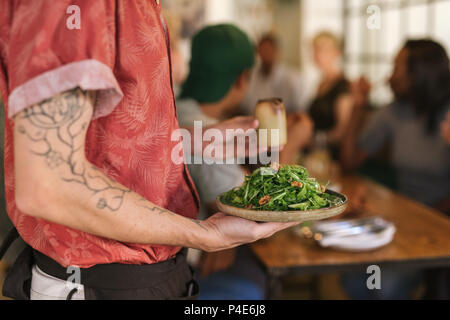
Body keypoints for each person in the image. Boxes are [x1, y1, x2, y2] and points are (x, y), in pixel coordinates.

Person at [0, 1, 298, 300]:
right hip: (96, 283)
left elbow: (100, 140)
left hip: (150, 275)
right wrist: (204, 234)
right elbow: (48, 183)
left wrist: (186, 143)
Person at [341, 39, 450, 299]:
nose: (390, 75)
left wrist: (421, 218)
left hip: (439, 225)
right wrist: (358, 105)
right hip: (402, 222)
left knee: (383, 285)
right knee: (355, 279)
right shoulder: (395, 112)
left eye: (397, 66)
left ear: (419, 73)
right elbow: (350, 161)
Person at [308, 31, 353, 159]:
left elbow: (342, 131)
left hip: (332, 156)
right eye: (315, 50)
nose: (317, 54)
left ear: (336, 53)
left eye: (323, 50)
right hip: (315, 154)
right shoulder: (320, 84)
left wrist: (314, 140)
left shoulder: (343, 86)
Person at [241, 33, 304, 115]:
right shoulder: (251, 76)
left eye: (269, 49)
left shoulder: (291, 78)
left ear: (277, 51)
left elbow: (298, 109)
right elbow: (245, 106)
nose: (266, 53)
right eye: (263, 50)